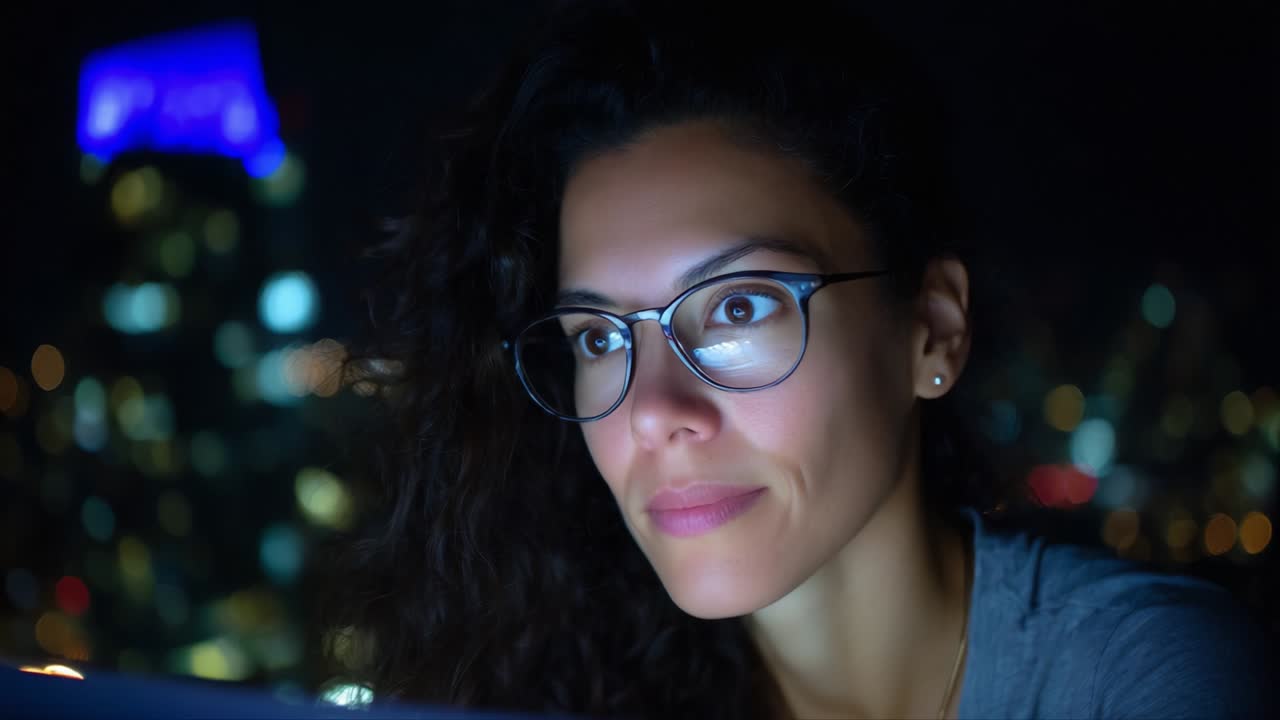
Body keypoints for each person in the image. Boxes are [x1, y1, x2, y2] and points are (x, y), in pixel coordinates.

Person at [322, 1, 1276, 717]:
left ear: (931, 330)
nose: (653, 410)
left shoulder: (1147, 677)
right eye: (602, 338)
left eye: (738, 306)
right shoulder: (589, 686)